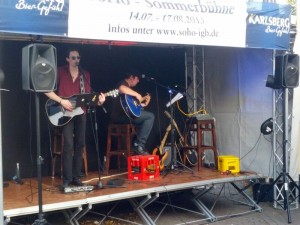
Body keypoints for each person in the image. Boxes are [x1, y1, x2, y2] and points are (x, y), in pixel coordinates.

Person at [45, 48, 106, 188]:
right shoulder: (60, 71)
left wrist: (99, 101)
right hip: (64, 113)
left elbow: (89, 98)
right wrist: (61, 101)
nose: (76, 60)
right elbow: (47, 90)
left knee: (80, 145)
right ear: (67, 59)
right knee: (68, 145)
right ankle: (66, 179)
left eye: (78, 57)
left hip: (81, 112)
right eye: (73, 58)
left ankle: (76, 177)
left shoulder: (85, 74)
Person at [111, 71, 155, 155]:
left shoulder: (129, 92)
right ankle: (138, 145)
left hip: (126, 115)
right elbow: (121, 88)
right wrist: (137, 94)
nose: (138, 81)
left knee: (146, 117)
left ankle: (137, 144)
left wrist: (144, 104)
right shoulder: (123, 83)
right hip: (119, 116)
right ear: (131, 77)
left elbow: (133, 109)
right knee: (150, 117)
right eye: (137, 78)